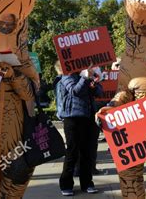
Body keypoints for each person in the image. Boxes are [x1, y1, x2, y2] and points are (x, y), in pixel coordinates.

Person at [58, 67, 103, 196]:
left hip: (88, 117)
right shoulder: (67, 75)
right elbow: (75, 91)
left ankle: (87, 183)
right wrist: (84, 78)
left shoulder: (89, 74)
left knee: (87, 152)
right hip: (73, 117)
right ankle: (66, 184)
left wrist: (94, 84)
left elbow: (99, 93)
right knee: (72, 152)